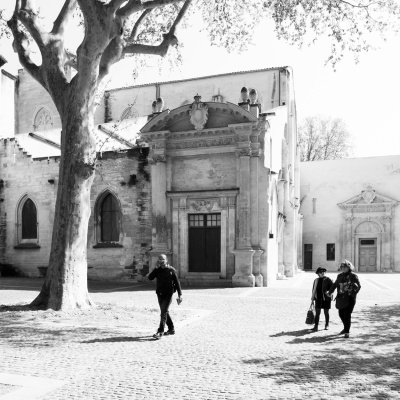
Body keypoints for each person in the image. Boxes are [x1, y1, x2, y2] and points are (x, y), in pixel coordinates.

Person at [148, 254, 182, 339]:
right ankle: (171, 329)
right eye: (159, 259)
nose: (161, 261)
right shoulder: (158, 270)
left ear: (166, 260)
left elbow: (177, 283)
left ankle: (160, 331)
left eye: (163, 259)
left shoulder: (171, 270)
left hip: (168, 294)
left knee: (163, 312)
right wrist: (155, 268)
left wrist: (180, 295)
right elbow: (150, 278)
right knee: (165, 311)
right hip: (160, 294)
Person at [327, 260, 361, 338]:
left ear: (349, 268)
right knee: (341, 314)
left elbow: (358, 286)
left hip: (350, 298)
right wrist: (330, 292)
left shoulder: (353, 276)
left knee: (347, 315)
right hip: (341, 298)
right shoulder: (339, 276)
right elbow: (335, 284)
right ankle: (346, 327)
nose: (343, 268)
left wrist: (352, 292)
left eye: (345, 267)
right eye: (342, 267)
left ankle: (347, 332)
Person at [310, 267, 333, 331]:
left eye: (324, 272)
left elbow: (332, 287)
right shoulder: (316, 280)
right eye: (321, 272)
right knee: (317, 313)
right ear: (318, 273)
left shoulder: (328, 279)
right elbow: (313, 290)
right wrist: (313, 299)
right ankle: (316, 326)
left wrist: (329, 292)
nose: (322, 273)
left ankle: (327, 325)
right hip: (318, 298)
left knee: (326, 312)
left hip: (326, 298)